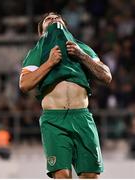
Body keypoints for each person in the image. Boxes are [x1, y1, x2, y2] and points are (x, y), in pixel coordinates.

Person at [19, 12, 112, 179]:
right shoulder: (38, 51)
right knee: (62, 175)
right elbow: (24, 84)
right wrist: (49, 63)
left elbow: (106, 76)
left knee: (91, 175)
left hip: (82, 117)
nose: (54, 19)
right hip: (54, 120)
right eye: (49, 19)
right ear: (42, 33)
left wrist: (81, 56)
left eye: (57, 18)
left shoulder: (82, 48)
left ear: (66, 27)